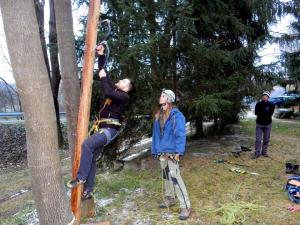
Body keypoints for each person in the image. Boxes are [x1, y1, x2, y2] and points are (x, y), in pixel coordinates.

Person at [67, 44, 134, 200]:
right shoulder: (116, 91)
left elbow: (106, 89)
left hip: (110, 130)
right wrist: (101, 55)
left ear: (127, 89)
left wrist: (103, 77)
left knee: (87, 145)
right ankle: (89, 190)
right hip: (102, 129)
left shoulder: (124, 97)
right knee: (90, 158)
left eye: (124, 81)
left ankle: (81, 178)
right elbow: (104, 72)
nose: (120, 80)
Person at [151, 89, 192, 220]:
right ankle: (170, 198)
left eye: (163, 96)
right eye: (160, 95)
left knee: (175, 177)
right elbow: (155, 135)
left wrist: (179, 152)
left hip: (172, 152)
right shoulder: (159, 115)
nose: (160, 97)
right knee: (166, 176)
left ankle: (186, 206)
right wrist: (155, 150)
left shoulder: (176, 116)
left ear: (169, 99)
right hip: (162, 152)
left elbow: (180, 134)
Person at [252, 91, 275, 159]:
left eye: (266, 96)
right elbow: (256, 112)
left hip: (268, 124)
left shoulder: (271, 105)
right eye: (263, 96)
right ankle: (257, 153)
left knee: (266, 139)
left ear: (268, 97)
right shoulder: (258, 104)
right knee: (258, 139)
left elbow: (270, 114)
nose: (264, 97)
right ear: (262, 97)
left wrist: (262, 113)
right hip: (259, 124)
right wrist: (264, 113)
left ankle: (264, 152)